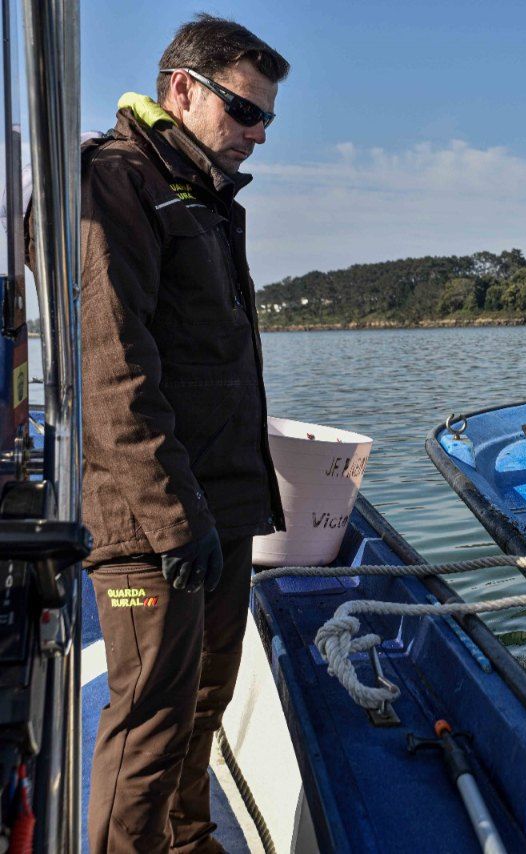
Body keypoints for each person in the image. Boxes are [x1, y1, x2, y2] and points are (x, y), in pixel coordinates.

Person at [74, 15, 288, 853]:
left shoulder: (196, 193)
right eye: (244, 112)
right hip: (152, 521)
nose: (258, 135)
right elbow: (113, 372)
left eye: (267, 119)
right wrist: (176, 520)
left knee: (204, 703)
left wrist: (219, 513)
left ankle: (189, 842)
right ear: (181, 90)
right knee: (150, 727)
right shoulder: (115, 183)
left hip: (216, 508)